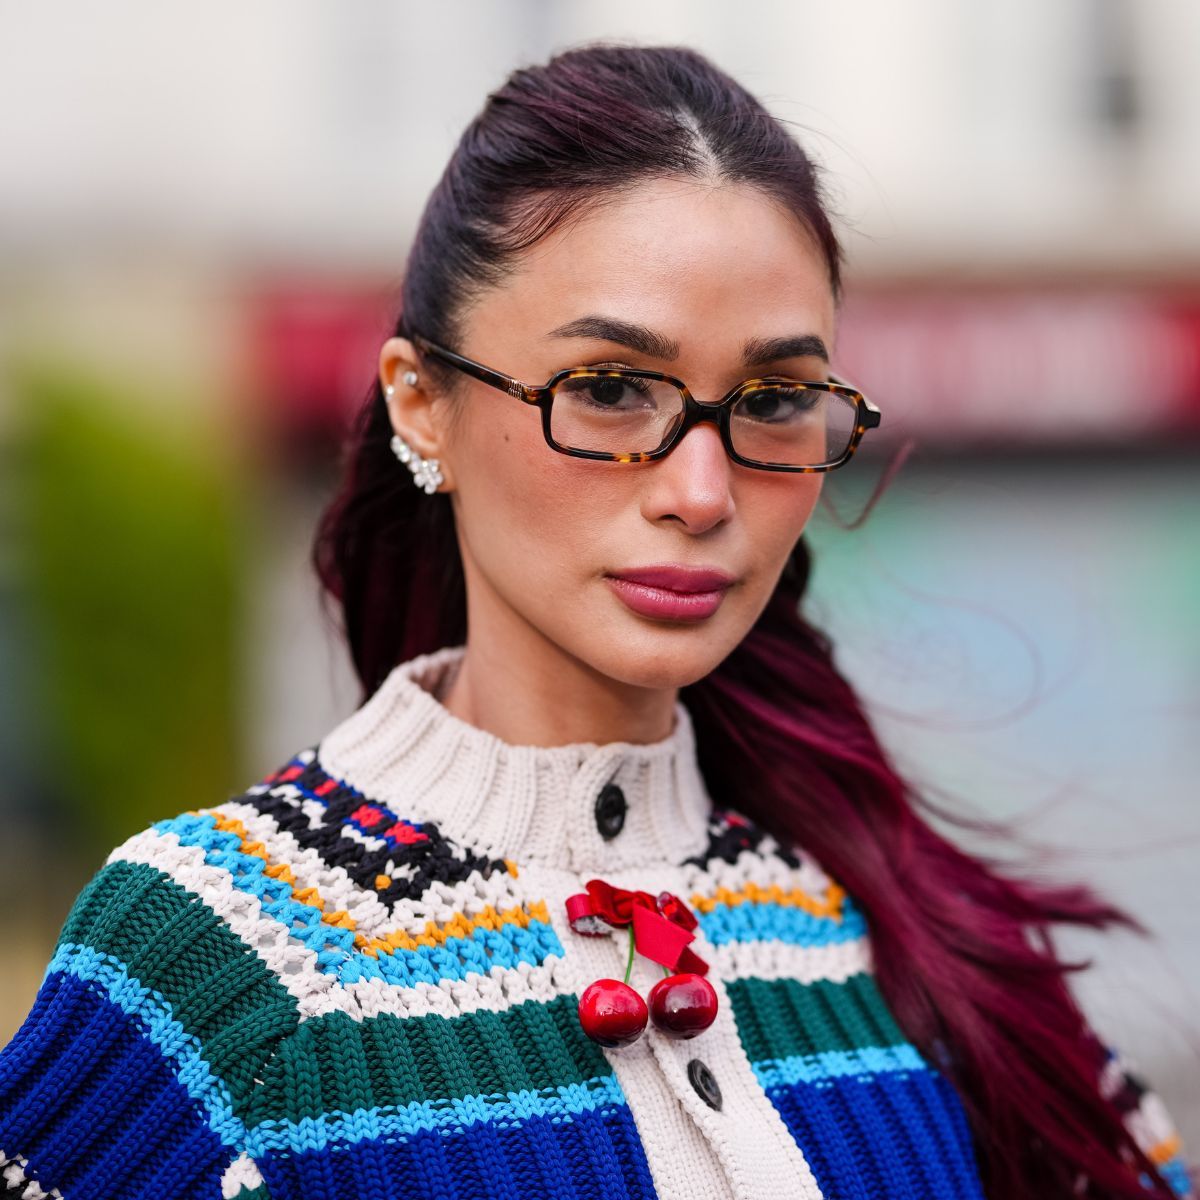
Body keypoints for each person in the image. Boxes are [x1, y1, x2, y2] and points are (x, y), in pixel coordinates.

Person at [0, 41, 1193, 1200]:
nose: (702, 491)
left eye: (775, 401)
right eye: (613, 389)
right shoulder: (230, 964)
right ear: (422, 404)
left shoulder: (909, 945)